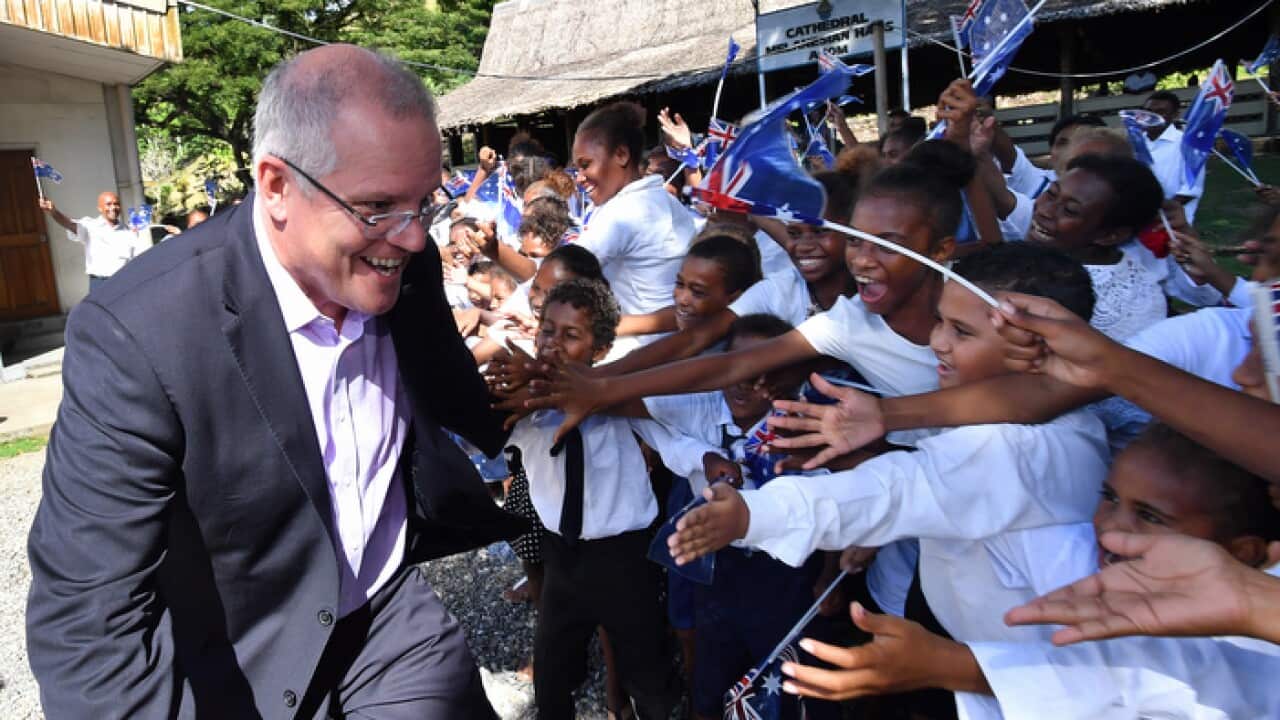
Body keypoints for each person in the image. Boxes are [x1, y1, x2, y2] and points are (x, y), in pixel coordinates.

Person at [26, 44, 525, 719]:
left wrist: (570, 397)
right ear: (276, 185)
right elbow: (87, 619)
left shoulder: (404, 260)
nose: (411, 237)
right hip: (243, 659)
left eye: (422, 203)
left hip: (389, 618)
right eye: (377, 205)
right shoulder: (137, 334)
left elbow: (450, 386)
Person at [775, 424, 1280, 718]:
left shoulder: (1257, 652)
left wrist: (951, 665)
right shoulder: (1077, 561)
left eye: (1150, 516)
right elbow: (937, 490)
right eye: (1108, 498)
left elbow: (1140, 690)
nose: (1112, 530)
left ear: (1248, 553)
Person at [505, 278, 682, 720]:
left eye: (571, 335)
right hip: (561, 556)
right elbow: (481, 431)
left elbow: (670, 435)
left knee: (645, 664)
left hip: (623, 556)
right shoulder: (525, 402)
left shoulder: (615, 393)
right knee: (552, 668)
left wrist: (708, 458)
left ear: (600, 350)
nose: (553, 344)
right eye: (548, 330)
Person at [570, 101, 696, 319]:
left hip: (644, 346)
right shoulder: (664, 201)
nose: (579, 178)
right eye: (576, 168)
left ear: (621, 154)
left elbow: (558, 271)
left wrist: (497, 253)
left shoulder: (624, 213)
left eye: (585, 164)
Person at [38, 190, 146, 291]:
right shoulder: (90, 226)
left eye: (116, 204)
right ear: (100, 208)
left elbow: (136, 260)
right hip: (100, 284)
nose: (113, 207)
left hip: (123, 283)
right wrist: (53, 211)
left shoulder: (128, 231)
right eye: (108, 204)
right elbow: (69, 224)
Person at [1141, 90, 1205, 222]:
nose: (1152, 116)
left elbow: (1190, 190)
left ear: (1175, 115)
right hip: (1138, 221)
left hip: (1173, 224)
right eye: (1148, 111)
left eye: (1160, 112)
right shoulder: (1135, 142)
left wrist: (1154, 211)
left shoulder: (1189, 145)